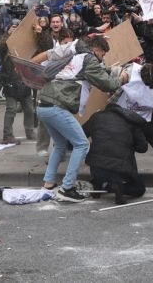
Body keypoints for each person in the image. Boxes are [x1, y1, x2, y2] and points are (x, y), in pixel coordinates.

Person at [36, 36, 127, 202]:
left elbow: (93, 74)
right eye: (103, 54)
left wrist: (108, 71)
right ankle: (67, 188)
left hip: (43, 104)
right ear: (97, 49)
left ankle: (48, 183)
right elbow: (108, 85)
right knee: (82, 144)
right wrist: (121, 79)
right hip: (56, 106)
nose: (103, 58)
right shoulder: (90, 59)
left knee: (61, 144)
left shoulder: (78, 57)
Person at [82, 103, 148, 205]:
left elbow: (81, 134)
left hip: (96, 165)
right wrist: (128, 145)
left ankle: (98, 185)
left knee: (102, 169)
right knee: (139, 189)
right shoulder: (131, 120)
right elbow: (143, 147)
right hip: (121, 167)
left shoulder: (96, 117)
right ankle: (114, 186)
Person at [0, 20, 35, 144]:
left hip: (23, 79)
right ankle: (7, 135)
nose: (15, 31)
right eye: (13, 28)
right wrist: (7, 35)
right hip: (10, 79)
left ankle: (29, 130)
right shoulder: (4, 43)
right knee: (11, 109)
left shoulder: (24, 41)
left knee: (29, 109)